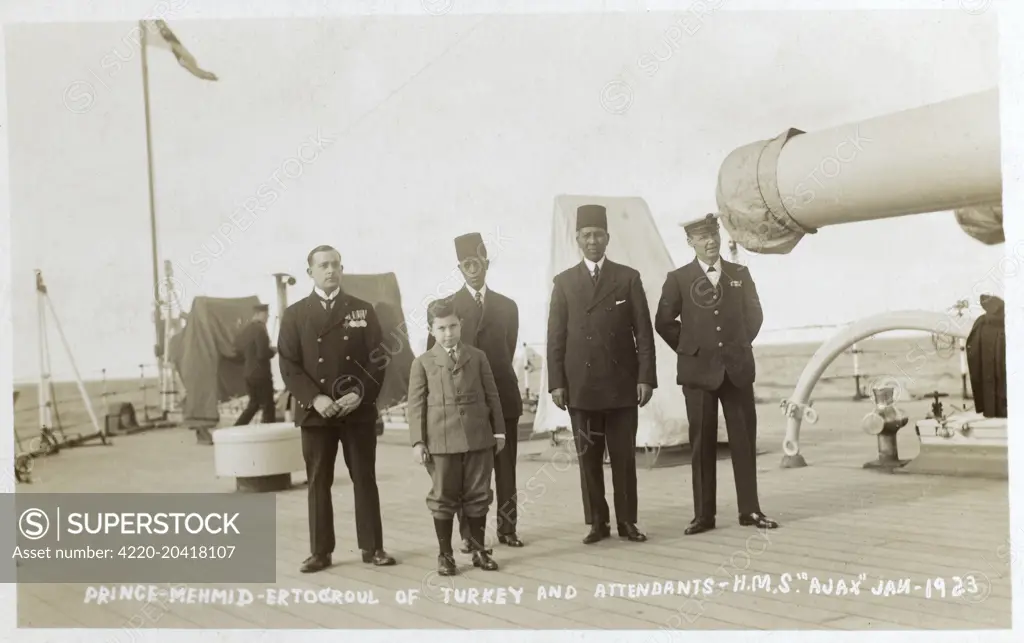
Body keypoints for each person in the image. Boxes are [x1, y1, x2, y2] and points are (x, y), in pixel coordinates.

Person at [654, 213, 778, 536]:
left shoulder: (739, 274)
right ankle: (703, 515)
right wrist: (692, 348)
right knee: (702, 445)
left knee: (743, 442)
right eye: (702, 237)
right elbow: (664, 322)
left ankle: (750, 510)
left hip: (736, 372)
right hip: (698, 375)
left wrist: (736, 346)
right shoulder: (678, 279)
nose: (710, 241)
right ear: (690, 242)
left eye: (713, 235)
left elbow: (755, 315)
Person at [277, 245, 397, 573]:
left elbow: (378, 358)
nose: (330, 270)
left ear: (341, 269)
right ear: (310, 273)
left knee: (365, 478)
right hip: (317, 413)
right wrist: (315, 399)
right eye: (323, 265)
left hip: (355, 410)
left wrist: (360, 393)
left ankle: (373, 547)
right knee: (318, 481)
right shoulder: (295, 315)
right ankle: (320, 551)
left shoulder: (362, 310)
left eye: (335, 265)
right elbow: (288, 364)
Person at [546, 203, 657, 545]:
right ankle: (597, 522)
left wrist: (645, 378)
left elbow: (644, 333)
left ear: (608, 237)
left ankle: (627, 522)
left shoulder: (628, 277)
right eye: (586, 235)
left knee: (624, 459)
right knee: (588, 460)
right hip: (581, 387)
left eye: (598, 234)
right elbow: (555, 338)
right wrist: (556, 384)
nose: (592, 240)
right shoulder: (564, 283)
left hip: (622, 386)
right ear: (577, 239)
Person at [426, 232, 526, 551]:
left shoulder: (507, 306)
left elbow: (507, 350)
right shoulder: (449, 308)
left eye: (479, 261)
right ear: (459, 267)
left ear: (487, 262)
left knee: (505, 469)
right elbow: (435, 357)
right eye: (467, 263)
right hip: (463, 404)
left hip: (502, 399)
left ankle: (508, 529)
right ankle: (470, 536)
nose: (474, 268)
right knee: (468, 473)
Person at [408, 298, 506, 575]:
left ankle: (478, 550)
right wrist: (418, 441)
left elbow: (492, 395)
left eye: (452, 326)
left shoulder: (477, 357)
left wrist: (498, 431)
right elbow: (416, 406)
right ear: (431, 330)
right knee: (442, 497)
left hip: (478, 439)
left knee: (479, 494)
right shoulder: (423, 363)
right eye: (441, 328)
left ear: (460, 325)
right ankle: (445, 555)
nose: (448, 333)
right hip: (440, 442)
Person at [233, 303, 277, 425]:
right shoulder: (260, 329)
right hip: (261, 374)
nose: (267, 317)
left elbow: (238, 352)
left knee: (254, 404)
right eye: (266, 314)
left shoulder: (246, 330)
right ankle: (269, 433)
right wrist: (273, 351)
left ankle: (237, 427)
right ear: (259, 314)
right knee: (268, 405)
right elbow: (262, 354)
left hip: (248, 373)